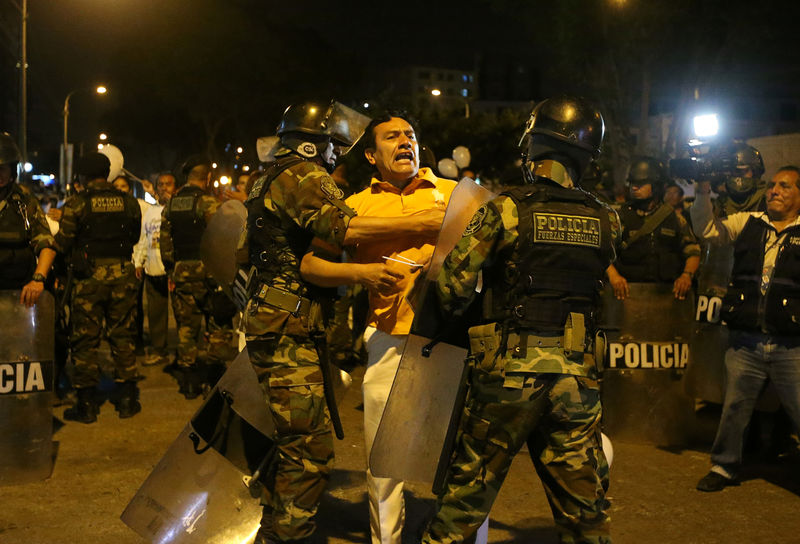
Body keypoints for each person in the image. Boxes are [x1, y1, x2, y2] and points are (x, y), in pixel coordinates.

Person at [237, 101, 445, 544]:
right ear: (315, 143)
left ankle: (276, 531)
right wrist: (426, 222)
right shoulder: (307, 176)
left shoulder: (268, 178)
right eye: (333, 146)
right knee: (308, 448)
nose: (336, 156)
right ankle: (288, 537)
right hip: (291, 325)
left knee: (294, 440)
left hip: (280, 321)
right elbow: (344, 230)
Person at [420, 96, 616, 544]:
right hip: (577, 378)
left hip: (508, 375)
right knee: (585, 510)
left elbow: (451, 287)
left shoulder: (505, 209)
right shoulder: (606, 218)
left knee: (463, 502)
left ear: (534, 149)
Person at [302, 111, 472, 544]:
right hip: (387, 339)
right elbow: (311, 264)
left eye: (410, 135)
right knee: (383, 461)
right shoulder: (355, 205)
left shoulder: (455, 194)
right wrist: (363, 273)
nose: (404, 142)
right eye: (392, 137)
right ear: (373, 156)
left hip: (451, 343)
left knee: (462, 461)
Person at [692, 165, 800, 492]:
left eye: (784, 186)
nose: (774, 191)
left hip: (791, 345)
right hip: (745, 343)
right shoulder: (748, 222)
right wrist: (702, 188)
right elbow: (707, 230)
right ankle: (724, 467)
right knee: (734, 409)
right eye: (771, 185)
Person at [54, 152, 142, 422]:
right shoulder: (129, 203)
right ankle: (127, 400)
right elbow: (134, 236)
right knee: (123, 336)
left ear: (82, 176)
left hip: (89, 280)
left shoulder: (77, 204)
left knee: (85, 341)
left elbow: (64, 242)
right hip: (122, 276)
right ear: (107, 174)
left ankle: (87, 405)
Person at [160, 156, 233, 398]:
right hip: (210, 275)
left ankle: (189, 383)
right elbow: (221, 240)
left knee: (186, 329)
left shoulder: (170, 205)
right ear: (208, 178)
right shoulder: (209, 203)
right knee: (218, 326)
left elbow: (165, 245)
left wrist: (173, 268)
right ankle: (215, 382)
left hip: (182, 273)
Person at [605, 156, 700, 300]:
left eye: (641, 183)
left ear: (656, 186)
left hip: (667, 296)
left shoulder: (673, 217)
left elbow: (693, 251)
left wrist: (686, 276)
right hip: (628, 295)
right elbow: (602, 252)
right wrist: (614, 276)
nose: (634, 187)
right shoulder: (619, 217)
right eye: (632, 183)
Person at [0, 132, 57, 307]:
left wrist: (38, 279)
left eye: (1, 169)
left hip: (18, 296)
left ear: (12, 171)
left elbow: (47, 245)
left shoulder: (25, 204)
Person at [134, 172, 177, 366]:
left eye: (168, 184)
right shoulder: (150, 212)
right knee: (156, 312)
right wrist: (139, 261)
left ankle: (185, 351)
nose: (164, 188)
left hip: (174, 269)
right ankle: (159, 349)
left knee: (181, 312)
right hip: (153, 268)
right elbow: (144, 237)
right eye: (160, 184)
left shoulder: (177, 209)